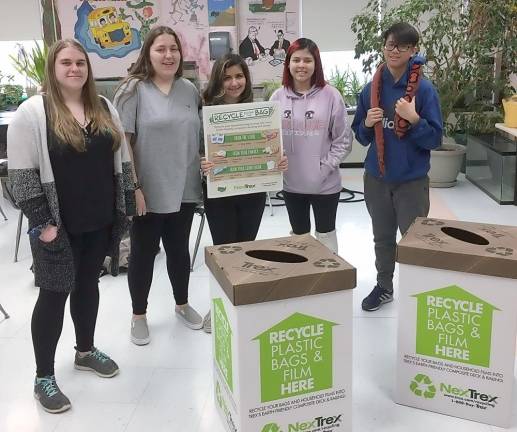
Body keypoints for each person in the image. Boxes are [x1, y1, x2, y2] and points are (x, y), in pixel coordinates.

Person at [7, 39, 135, 413]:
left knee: (88, 286)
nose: (75, 69)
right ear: (53, 67)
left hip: (99, 219)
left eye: (81, 62)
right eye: (66, 62)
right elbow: (22, 176)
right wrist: (43, 224)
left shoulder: (104, 107)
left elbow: (122, 161)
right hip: (58, 226)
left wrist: (125, 205)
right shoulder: (32, 113)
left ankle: (85, 349)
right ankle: (43, 377)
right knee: (53, 294)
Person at [114, 26, 204, 346]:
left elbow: (200, 137)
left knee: (179, 251)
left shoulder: (190, 90)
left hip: (185, 187)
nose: (168, 55)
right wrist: (134, 186)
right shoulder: (132, 90)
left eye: (174, 49)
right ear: (147, 54)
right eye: (160, 49)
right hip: (148, 191)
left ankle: (181, 304)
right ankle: (139, 315)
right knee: (143, 253)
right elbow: (123, 142)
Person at [351, 22, 443, 312]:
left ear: (414, 50)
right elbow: (361, 135)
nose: (394, 51)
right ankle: (384, 286)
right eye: (390, 44)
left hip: (411, 181)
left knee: (415, 241)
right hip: (377, 178)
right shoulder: (372, 89)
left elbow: (435, 139)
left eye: (402, 46)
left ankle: (420, 293)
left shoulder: (424, 91)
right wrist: (366, 123)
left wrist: (414, 119)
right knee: (382, 237)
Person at [200, 53, 288, 332]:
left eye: (239, 76)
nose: (234, 83)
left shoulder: (259, 110)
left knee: (246, 248)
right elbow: (195, 148)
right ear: (218, 79)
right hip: (219, 190)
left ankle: (242, 301)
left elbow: (270, 149)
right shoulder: (204, 110)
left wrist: (278, 161)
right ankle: (218, 306)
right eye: (227, 77)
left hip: (252, 192)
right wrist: (202, 161)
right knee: (224, 250)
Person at [270, 38, 352, 254]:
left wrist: (322, 169)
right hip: (291, 184)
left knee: (326, 238)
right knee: (300, 241)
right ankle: (303, 285)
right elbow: (269, 140)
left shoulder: (331, 96)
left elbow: (343, 140)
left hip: (325, 185)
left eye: (308, 60)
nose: (301, 65)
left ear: (316, 64)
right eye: (296, 60)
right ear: (288, 63)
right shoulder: (277, 98)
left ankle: (329, 284)